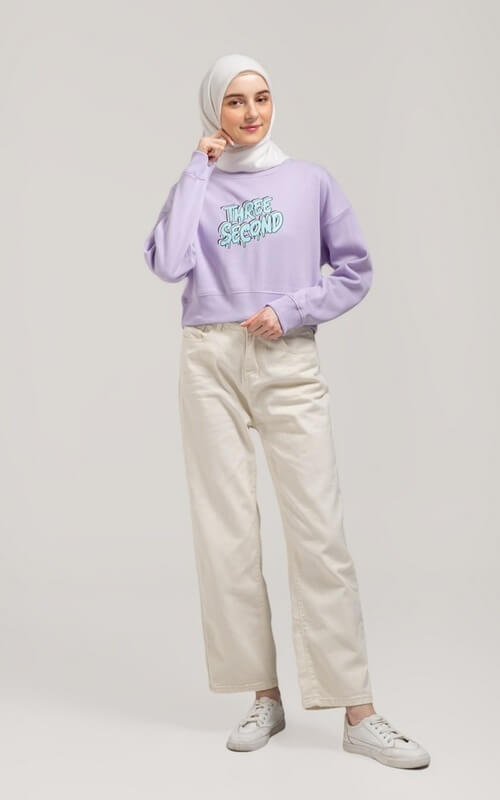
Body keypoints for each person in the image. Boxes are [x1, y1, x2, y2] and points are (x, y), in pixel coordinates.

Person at [143, 53, 430, 769]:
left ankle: (358, 711)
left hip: (286, 356)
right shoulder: (199, 183)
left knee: (318, 533)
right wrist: (197, 167)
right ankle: (263, 696)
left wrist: (294, 308)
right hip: (209, 358)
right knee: (227, 533)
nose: (251, 113)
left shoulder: (309, 181)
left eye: (262, 98)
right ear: (214, 110)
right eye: (235, 101)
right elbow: (167, 263)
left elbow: (355, 269)